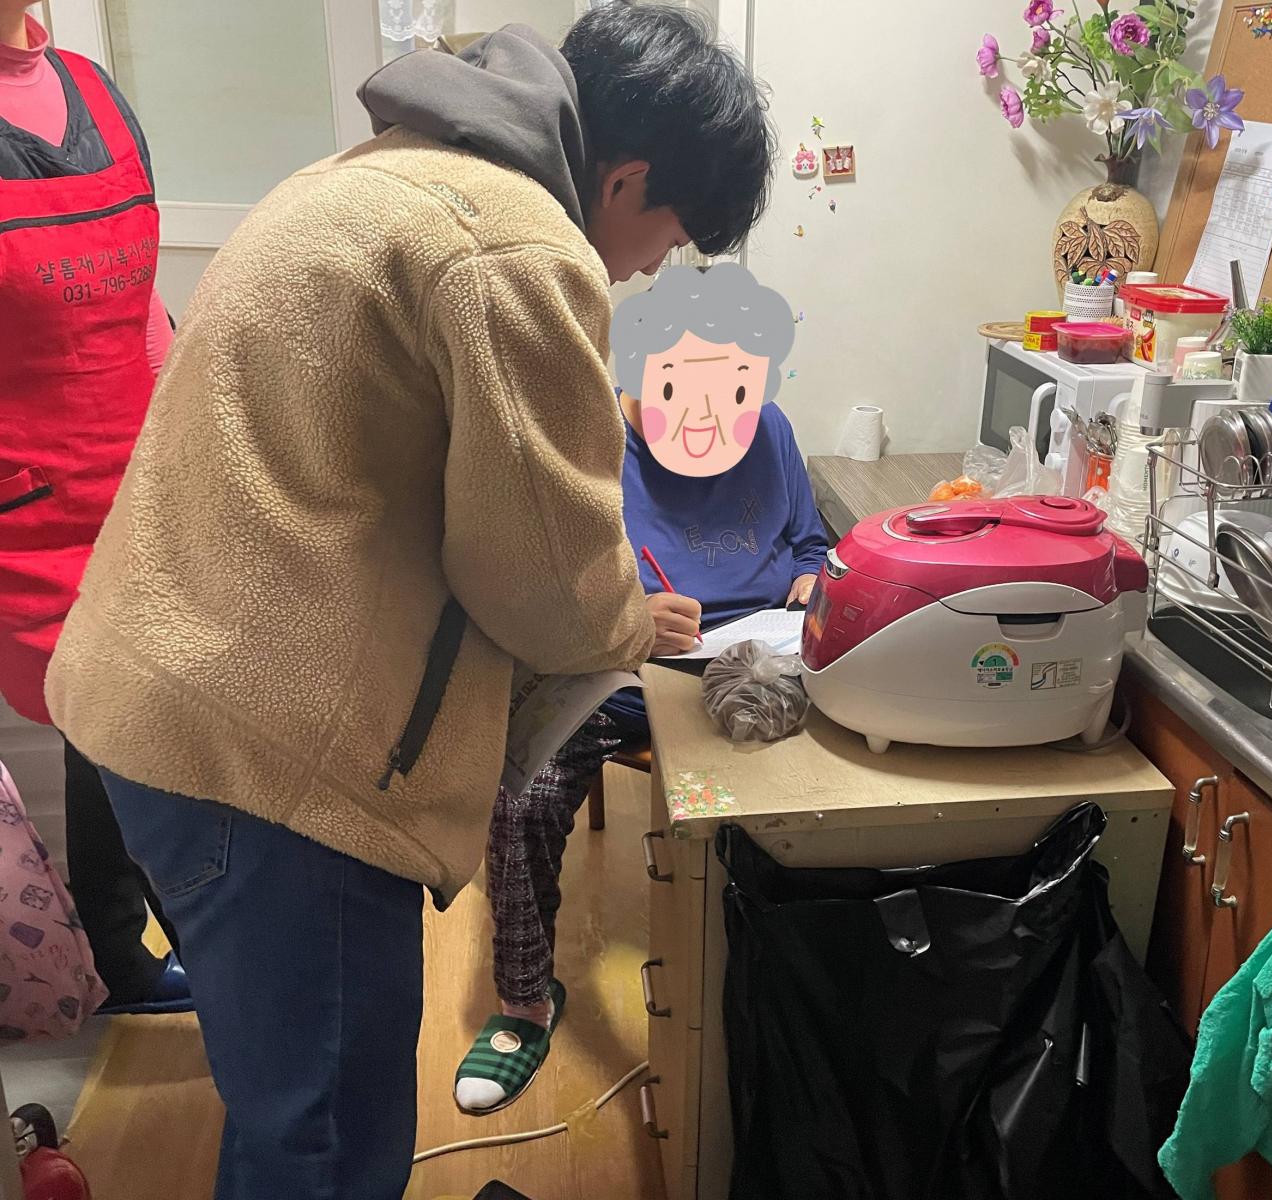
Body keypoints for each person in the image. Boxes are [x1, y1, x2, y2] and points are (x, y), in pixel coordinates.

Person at [43, 8, 772, 1198]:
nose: (647, 269)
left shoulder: (366, 175)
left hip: (154, 696)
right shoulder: (516, 245)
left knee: (283, 1101)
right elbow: (547, 587)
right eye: (670, 236)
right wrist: (631, 622)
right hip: (271, 757)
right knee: (327, 1143)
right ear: (626, 177)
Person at [455, 263, 827, 1113]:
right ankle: (524, 1002)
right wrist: (622, 617)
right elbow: (529, 590)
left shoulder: (768, 427)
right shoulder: (583, 444)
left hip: (757, 660)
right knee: (519, 797)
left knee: (841, 776)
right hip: (616, 675)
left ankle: (786, 971)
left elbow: (809, 541)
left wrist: (810, 584)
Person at [0, 3, 189, 1015]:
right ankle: (176, 946)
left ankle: (125, 951)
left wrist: (190, 440)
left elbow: (137, 303)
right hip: (28, 512)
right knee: (114, 715)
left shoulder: (93, 92)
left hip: (139, 480)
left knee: (116, 722)